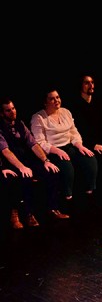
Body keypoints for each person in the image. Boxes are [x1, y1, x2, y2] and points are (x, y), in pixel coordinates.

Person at [0, 97, 69, 228]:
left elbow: (33, 144)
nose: (12, 112)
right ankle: (26, 214)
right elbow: (5, 151)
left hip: (25, 160)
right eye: (8, 110)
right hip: (10, 163)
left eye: (13, 108)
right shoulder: (1, 128)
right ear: (2, 113)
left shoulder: (20, 124)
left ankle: (52, 209)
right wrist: (21, 167)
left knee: (51, 171)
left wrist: (46, 160)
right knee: (24, 177)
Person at [30, 86, 99, 210]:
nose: (57, 100)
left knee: (90, 159)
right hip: (52, 150)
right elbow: (40, 142)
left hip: (69, 146)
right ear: (45, 102)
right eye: (52, 99)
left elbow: (74, 132)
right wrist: (56, 150)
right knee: (67, 168)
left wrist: (80, 145)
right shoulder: (38, 118)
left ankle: (89, 194)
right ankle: (68, 200)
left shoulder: (65, 112)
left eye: (57, 97)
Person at [70, 74, 102, 204]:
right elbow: (77, 131)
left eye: (92, 82)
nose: (91, 85)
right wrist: (93, 145)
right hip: (84, 143)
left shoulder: (98, 103)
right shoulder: (75, 106)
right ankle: (100, 195)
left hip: (101, 141)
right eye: (87, 83)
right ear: (80, 86)